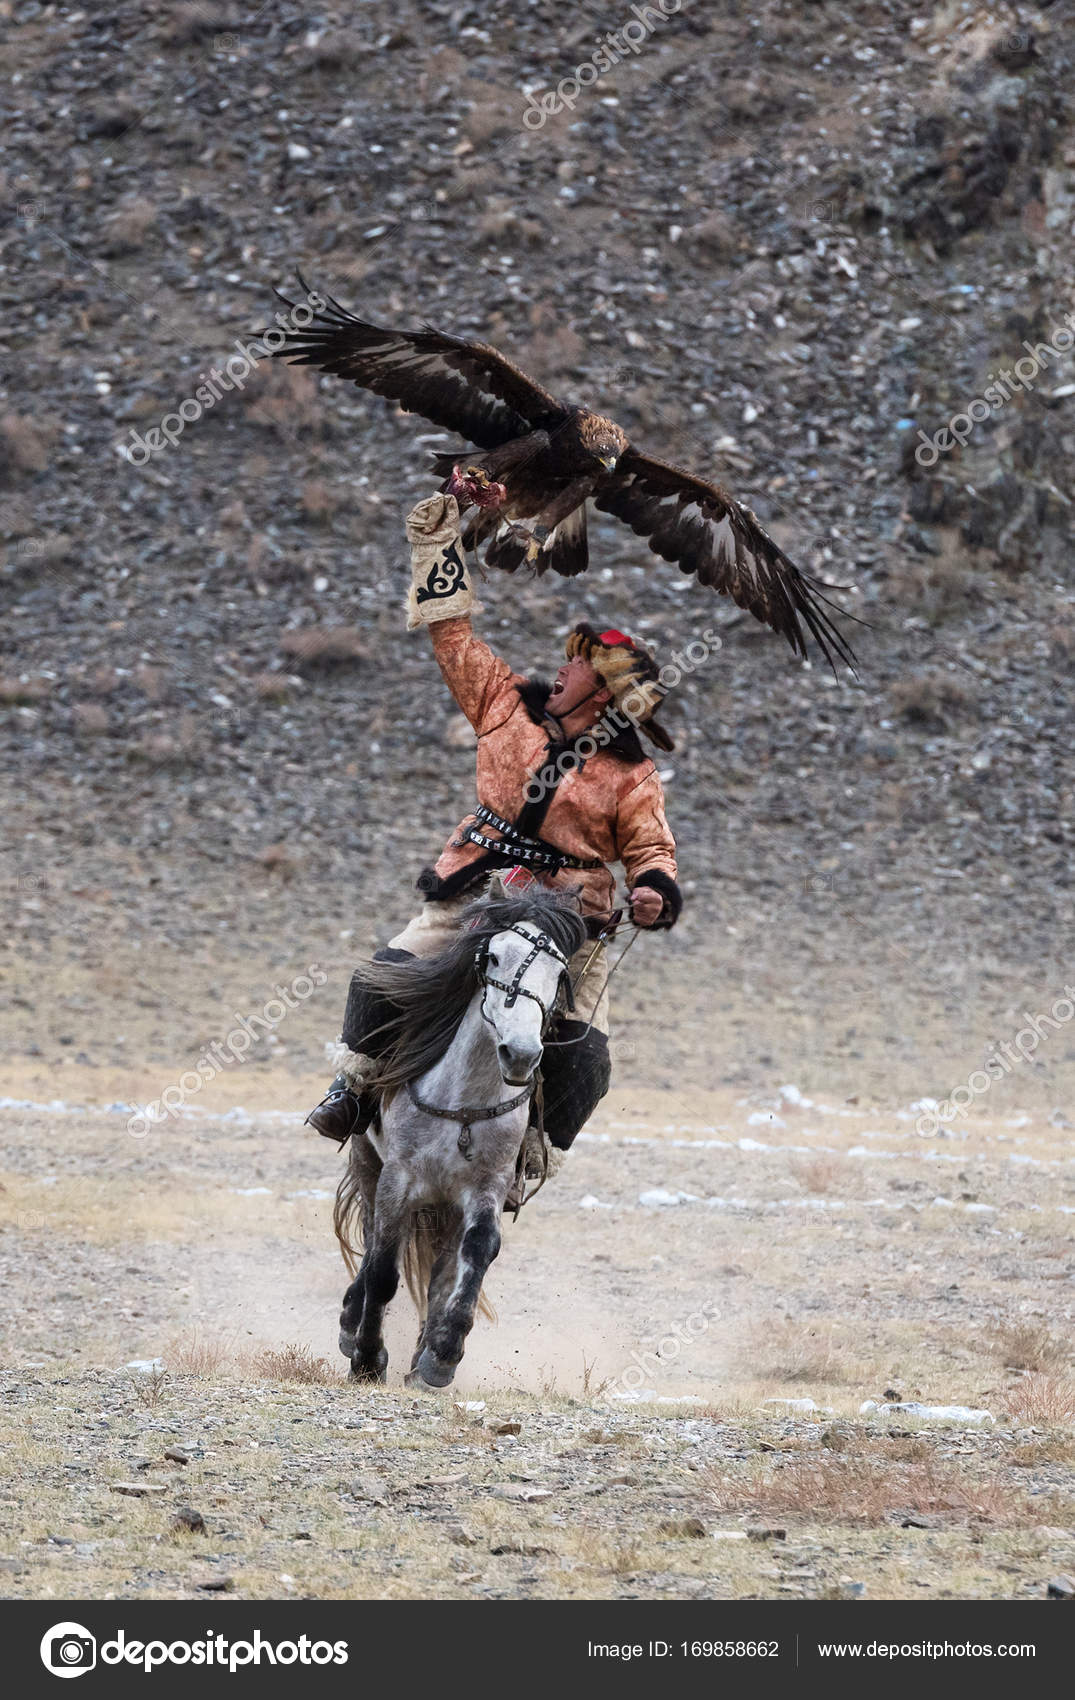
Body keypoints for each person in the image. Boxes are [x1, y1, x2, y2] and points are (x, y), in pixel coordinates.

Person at [307, 494, 683, 1194]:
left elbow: (651, 851)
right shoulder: (505, 705)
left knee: (585, 1057)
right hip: (477, 892)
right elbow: (452, 635)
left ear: (601, 696)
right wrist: (435, 544)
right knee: (379, 977)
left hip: (570, 921)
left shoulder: (631, 778)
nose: (562, 670)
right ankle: (352, 1093)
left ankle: (532, 1151)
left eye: (579, 668)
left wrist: (654, 889)